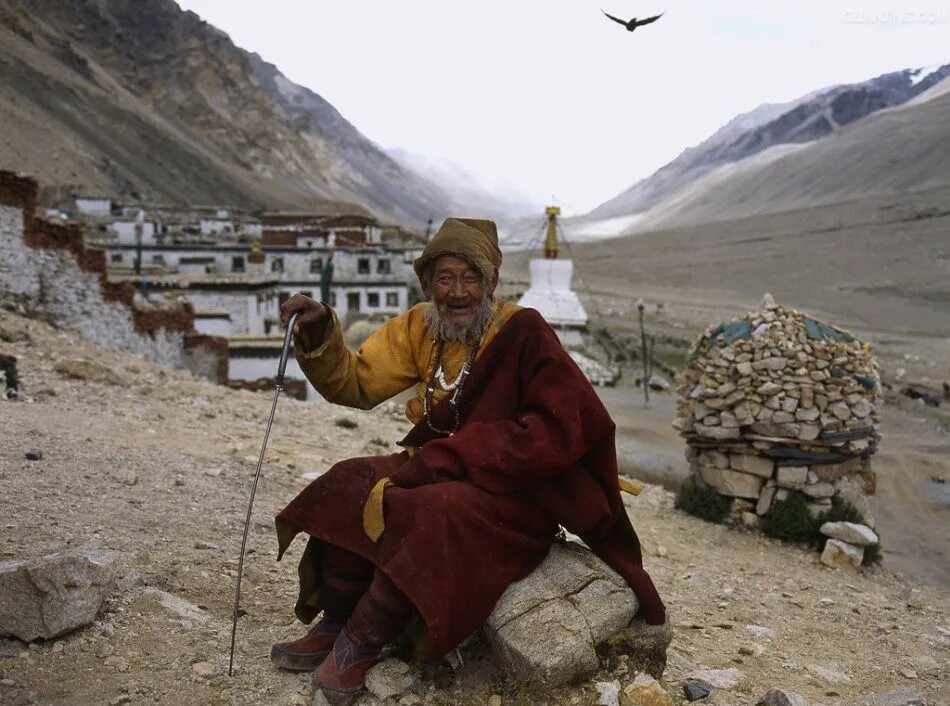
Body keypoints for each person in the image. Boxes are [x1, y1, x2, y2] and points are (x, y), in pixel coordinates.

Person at [272, 217, 666, 700]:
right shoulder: (421, 327)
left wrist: (464, 453)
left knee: (429, 511)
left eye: (471, 278)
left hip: (513, 490)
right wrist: (319, 335)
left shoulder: (524, 332)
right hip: (443, 466)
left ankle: (362, 640)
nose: (457, 292)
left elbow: (558, 429)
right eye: (445, 278)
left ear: (492, 282)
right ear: (427, 283)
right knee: (349, 480)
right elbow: (355, 383)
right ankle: (336, 619)